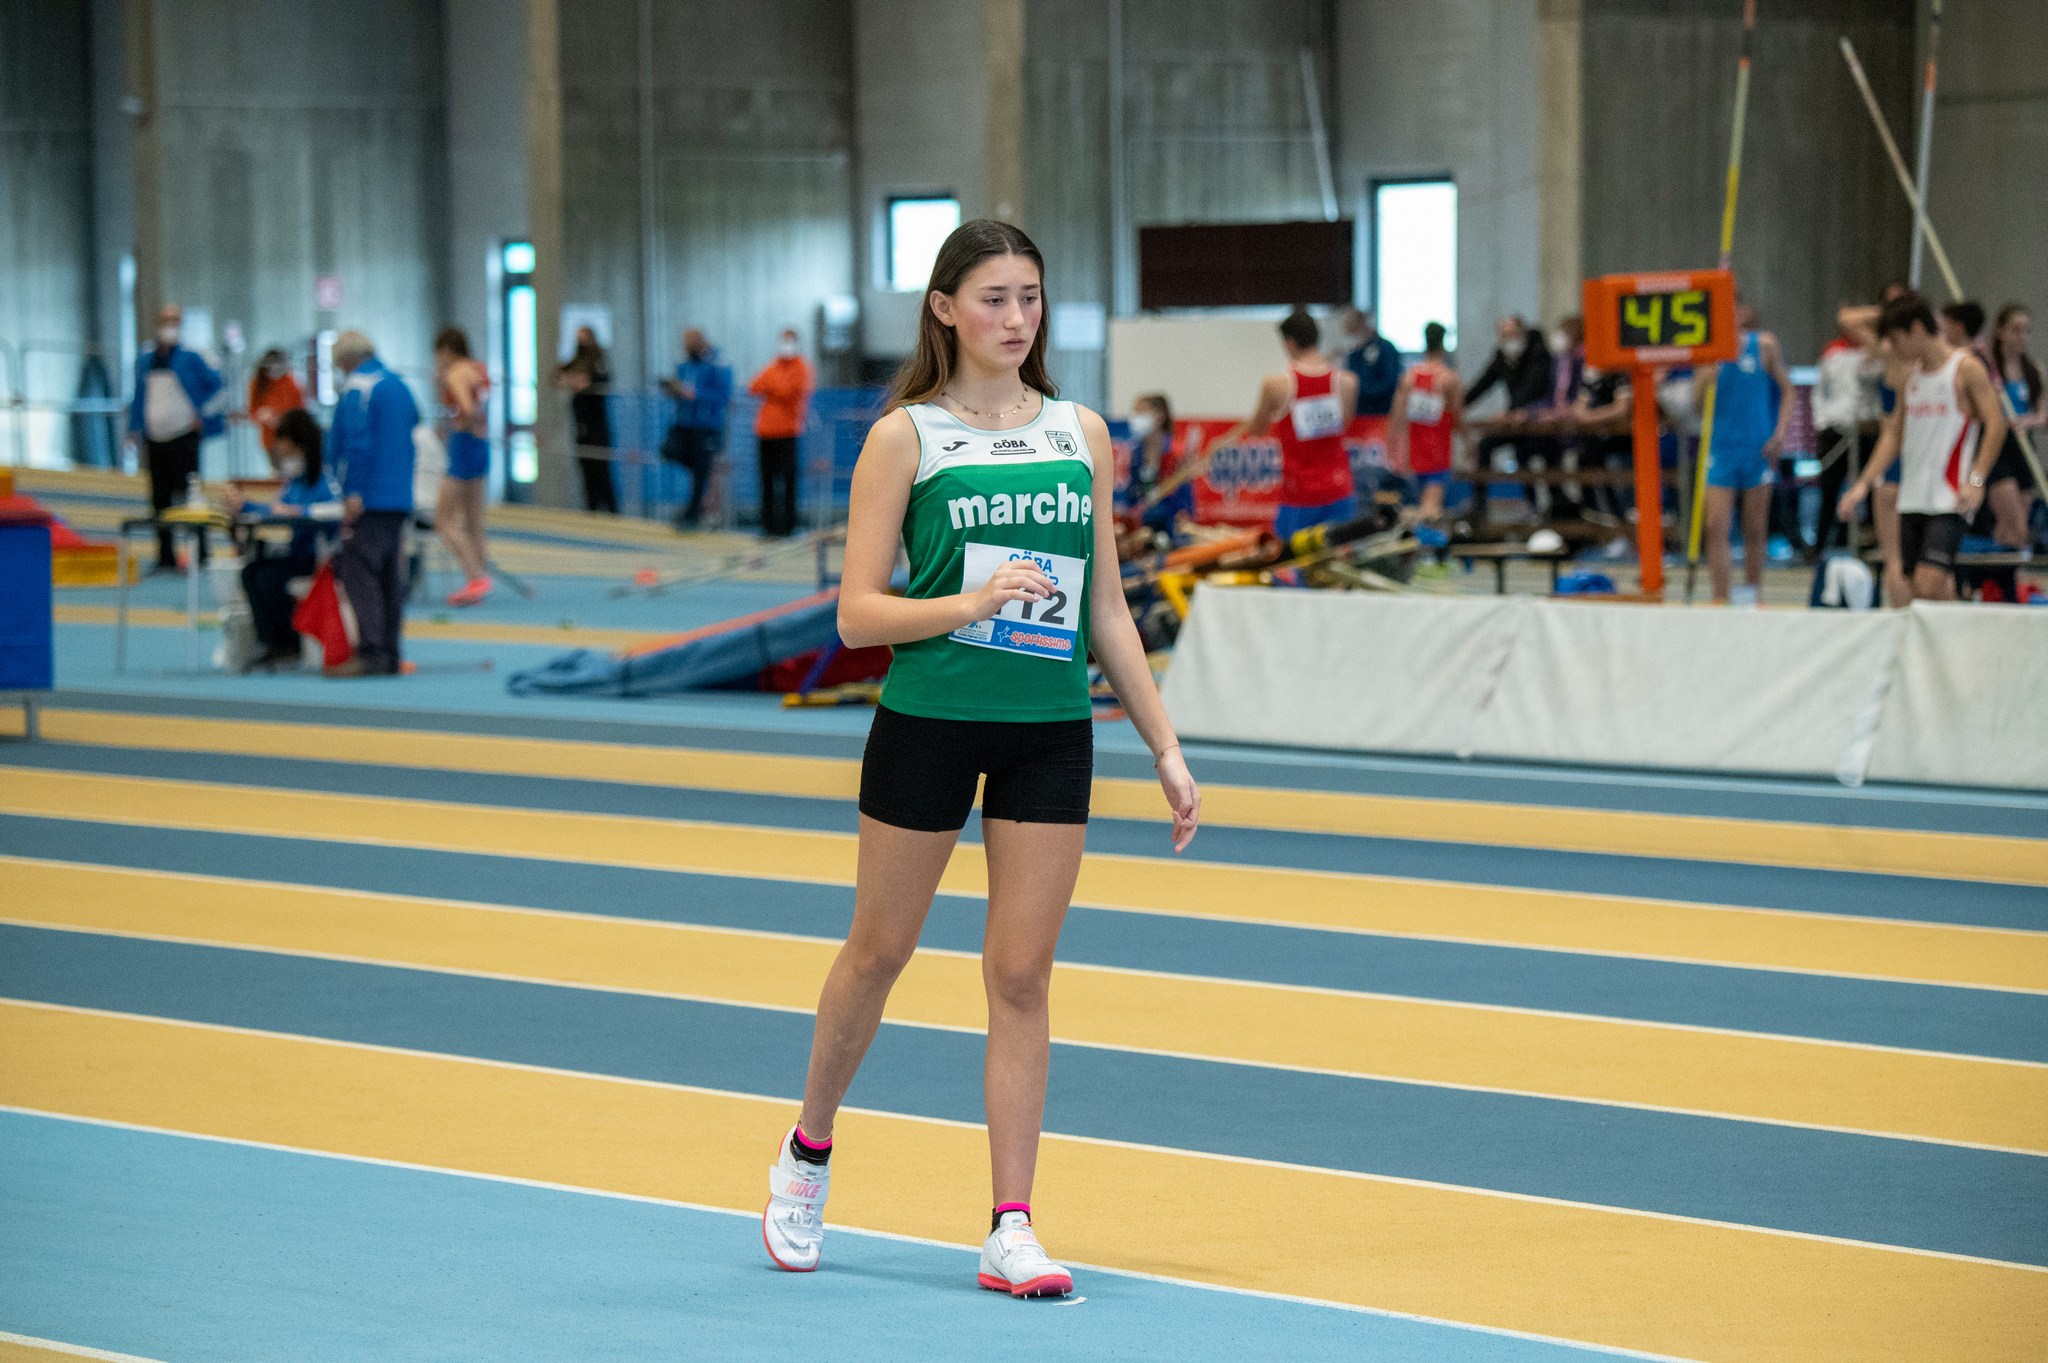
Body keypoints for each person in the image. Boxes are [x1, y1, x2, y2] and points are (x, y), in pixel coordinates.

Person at [761, 218, 1200, 1299]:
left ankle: (1012, 1225)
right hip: (930, 721)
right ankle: (807, 1151)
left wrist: (1163, 743)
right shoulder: (904, 437)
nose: (1016, 318)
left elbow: (1105, 606)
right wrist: (966, 603)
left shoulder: (1080, 432)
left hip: (1048, 729)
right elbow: (857, 614)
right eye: (995, 298)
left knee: (1020, 974)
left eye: (1030, 298)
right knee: (879, 952)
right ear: (945, 308)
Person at [1837, 292, 2008, 603]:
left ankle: (1960, 631)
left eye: (1896, 339)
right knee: (1917, 589)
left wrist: (1977, 479)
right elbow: (1893, 435)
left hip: (1949, 498)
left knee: (1929, 584)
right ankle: (1954, 632)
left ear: (1916, 329)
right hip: (1912, 497)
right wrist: (1862, 484)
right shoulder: (1908, 374)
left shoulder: (1965, 368)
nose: (1893, 348)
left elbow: (1996, 424)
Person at [1201, 311, 1359, 542]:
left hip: (1299, 495)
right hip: (1339, 489)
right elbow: (1344, 425)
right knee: (1337, 560)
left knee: (1291, 561)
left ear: (1289, 343)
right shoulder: (1347, 382)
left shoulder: (1276, 385)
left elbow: (1257, 431)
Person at [328, 329, 420, 675]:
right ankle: (389, 651)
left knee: (360, 570)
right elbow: (414, 421)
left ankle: (372, 651)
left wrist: (353, 490)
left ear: (346, 359)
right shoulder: (398, 385)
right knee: (388, 575)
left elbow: (357, 443)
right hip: (399, 493)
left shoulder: (359, 387)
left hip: (372, 494)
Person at [1693, 301, 1794, 604]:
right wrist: (1705, 379)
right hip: (1721, 450)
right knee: (1716, 526)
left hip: (1757, 449)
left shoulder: (1764, 346)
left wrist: (1780, 434)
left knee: (1755, 527)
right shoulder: (1708, 353)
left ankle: (1752, 593)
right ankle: (1720, 597)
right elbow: (1696, 407)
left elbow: (1788, 389)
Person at [225, 408, 341, 669]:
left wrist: (302, 512)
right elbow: (274, 509)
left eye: (285, 445)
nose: (280, 451)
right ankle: (269, 642)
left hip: (319, 558)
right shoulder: (294, 483)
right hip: (296, 554)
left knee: (270, 579)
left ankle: (288, 644)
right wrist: (243, 505)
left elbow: (334, 511)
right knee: (251, 572)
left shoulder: (324, 480)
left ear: (300, 446)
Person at [126, 303, 224, 572]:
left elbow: (218, 386)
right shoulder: (145, 359)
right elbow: (138, 396)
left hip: (183, 436)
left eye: (175, 321)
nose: (169, 326)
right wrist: (133, 429)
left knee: (190, 496)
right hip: (155, 438)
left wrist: (203, 413)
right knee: (159, 499)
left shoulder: (192, 357)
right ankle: (165, 556)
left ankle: (200, 553)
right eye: (166, 320)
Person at [1811, 313, 1888, 557]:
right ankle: (1819, 545)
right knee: (1829, 491)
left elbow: (1873, 376)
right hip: (1834, 431)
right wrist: (1823, 421)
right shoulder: (1832, 353)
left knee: (1872, 488)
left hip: (1864, 431)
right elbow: (1821, 390)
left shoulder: (1877, 353)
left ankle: (1874, 541)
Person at [1464, 316, 1555, 522]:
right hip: (1515, 423)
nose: (1509, 340)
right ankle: (1480, 507)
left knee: (1544, 465)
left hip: (1541, 422)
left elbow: (1533, 386)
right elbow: (1482, 384)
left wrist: (1512, 412)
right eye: (1504, 335)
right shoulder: (1502, 358)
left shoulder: (1538, 353)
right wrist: (1457, 405)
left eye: (1513, 334)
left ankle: (1553, 512)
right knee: (1486, 445)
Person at [431, 328, 493, 607]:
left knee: (443, 519)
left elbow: (467, 408)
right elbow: (479, 405)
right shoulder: (478, 368)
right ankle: (477, 581)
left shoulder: (455, 372)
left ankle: (475, 576)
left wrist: (461, 425)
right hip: (480, 445)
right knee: (473, 520)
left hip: (465, 445)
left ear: (445, 351)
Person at [1981, 302, 2042, 550]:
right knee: (2016, 528)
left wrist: (2025, 420)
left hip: (2024, 450)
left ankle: (2003, 571)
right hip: (1999, 449)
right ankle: (2002, 572)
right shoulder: (1989, 370)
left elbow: (2043, 416)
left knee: (2016, 530)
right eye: (2016, 329)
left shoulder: (2033, 370)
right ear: (2001, 331)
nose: (2022, 336)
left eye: (2026, 330)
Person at [1389, 321, 1462, 523]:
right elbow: (1458, 418)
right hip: (1437, 456)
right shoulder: (1449, 379)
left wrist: (1392, 451)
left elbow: (1396, 417)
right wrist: (1468, 444)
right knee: (1430, 514)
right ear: (1443, 345)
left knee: (1418, 512)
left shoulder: (1409, 378)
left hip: (1414, 456)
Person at [659, 328, 732, 528]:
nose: (686, 345)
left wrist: (697, 394)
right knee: (669, 451)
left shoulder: (718, 364)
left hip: (706, 425)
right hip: (684, 422)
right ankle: (700, 499)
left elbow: (723, 395)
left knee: (702, 471)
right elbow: (680, 385)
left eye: (690, 341)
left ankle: (695, 512)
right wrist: (674, 391)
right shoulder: (684, 362)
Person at [747, 327, 814, 536]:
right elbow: (754, 386)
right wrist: (776, 387)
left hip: (788, 432)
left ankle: (788, 525)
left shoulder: (801, 367)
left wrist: (772, 388)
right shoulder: (773, 365)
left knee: (788, 480)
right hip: (765, 431)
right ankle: (768, 525)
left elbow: (790, 392)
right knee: (766, 480)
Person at [556, 326, 618, 515]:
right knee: (586, 469)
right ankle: (591, 510)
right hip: (581, 422)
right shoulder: (577, 359)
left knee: (601, 469)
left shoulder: (599, 359)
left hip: (597, 423)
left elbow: (598, 380)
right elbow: (558, 376)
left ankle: (612, 512)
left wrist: (580, 382)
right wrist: (574, 380)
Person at [1340, 307, 1403, 417]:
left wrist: (1359, 390)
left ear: (1363, 325)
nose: (1350, 336)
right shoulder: (1353, 353)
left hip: (1381, 414)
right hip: (1357, 415)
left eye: (1352, 330)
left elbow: (1390, 383)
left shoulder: (1386, 348)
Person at [246, 348, 305, 460]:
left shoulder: (292, 383)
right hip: (269, 439)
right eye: (273, 365)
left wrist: (283, 419)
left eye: (279, 365)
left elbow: (301, 412)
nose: (276, 369)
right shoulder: (258, 383)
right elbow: (252, 412)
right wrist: (262, 415)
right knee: (275, 466)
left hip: (289, 436)